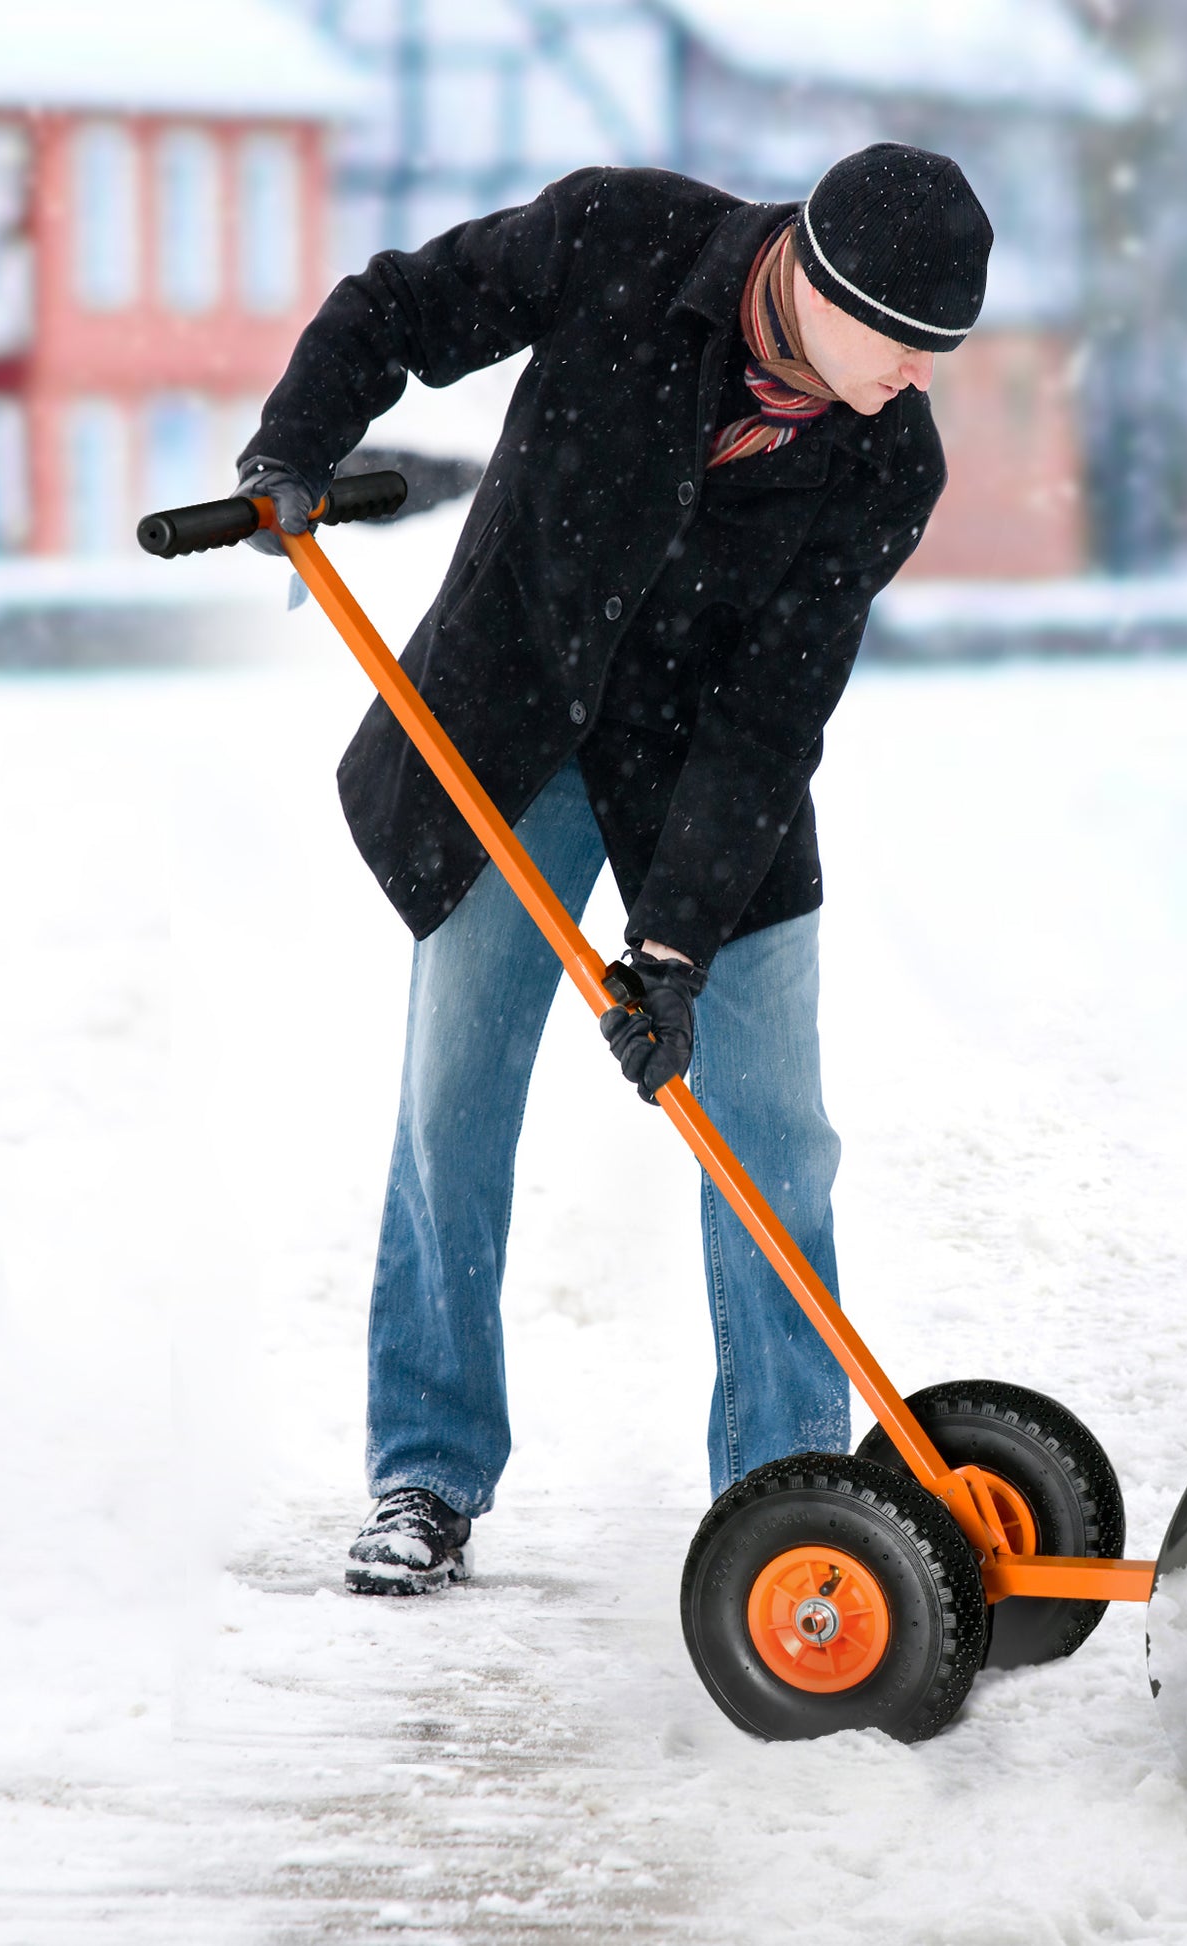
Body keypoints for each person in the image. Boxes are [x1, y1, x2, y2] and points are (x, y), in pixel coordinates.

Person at [237, 144, 994, 1593]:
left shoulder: (887, 457)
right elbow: (402, 307)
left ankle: (790, 1501)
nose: (912, 373)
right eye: (898, 340)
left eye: (936, 351)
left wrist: (676, 950)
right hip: (509, 737)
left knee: (774, 1140)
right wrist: (297, 444)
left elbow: (775, 712)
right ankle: (425, 1471)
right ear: (816, 285)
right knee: (452, 1109)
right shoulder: (621, 238)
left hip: (707, 792)